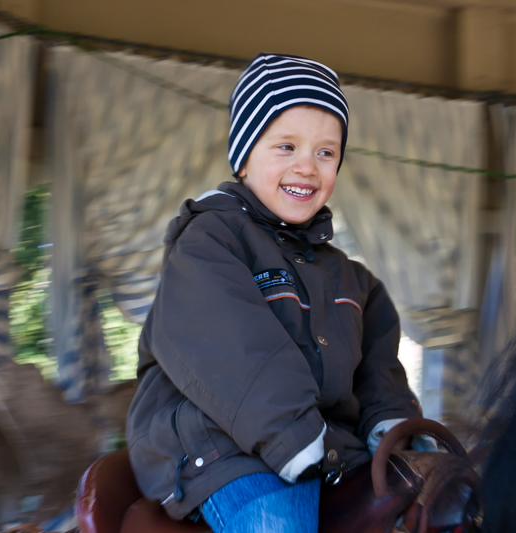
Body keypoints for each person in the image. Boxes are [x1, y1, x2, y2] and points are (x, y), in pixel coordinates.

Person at [125, 53, 433, 533]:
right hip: (219, 449)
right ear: (245, 156)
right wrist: (295, 435)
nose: (307, 167)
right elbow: (234, 348)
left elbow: (379, 371)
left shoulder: (353, 281)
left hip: (319, 449)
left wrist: (392, 426)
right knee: (279, 522)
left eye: (326, 153)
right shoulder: (209, 242)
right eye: (286, 146)